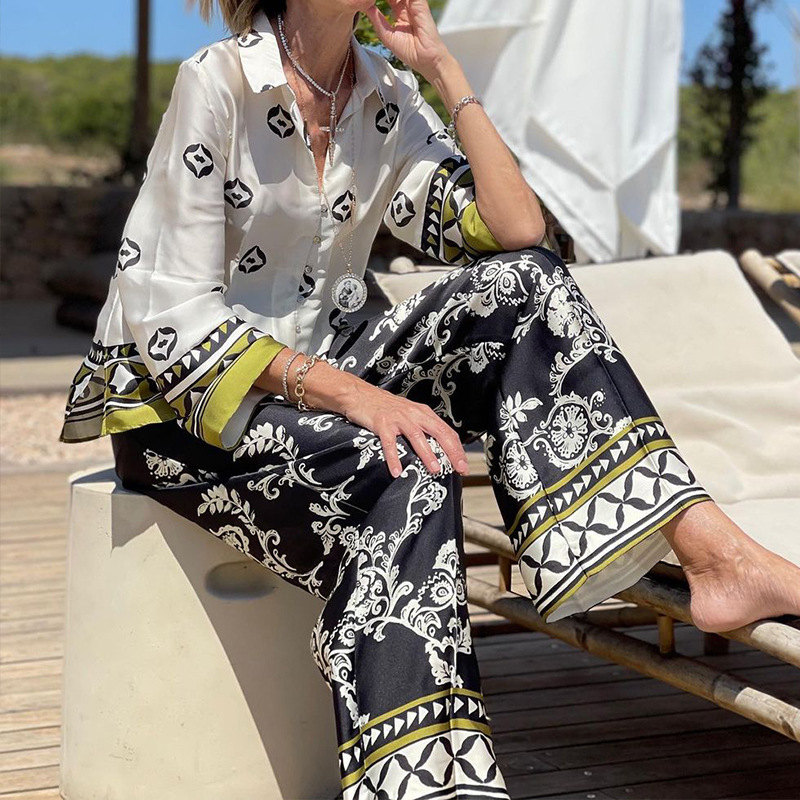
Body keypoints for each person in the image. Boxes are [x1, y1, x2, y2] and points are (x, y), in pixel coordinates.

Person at [58, 0, 800, 796]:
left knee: (525, 286)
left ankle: (712, 552)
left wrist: (443, 70)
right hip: (188, 411)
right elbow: (172, 316)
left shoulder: (384, 92)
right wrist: (360, 400)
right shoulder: (220, 82)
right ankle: (426, 784)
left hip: (324, 371)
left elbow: (516, 231)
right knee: (409, 465)